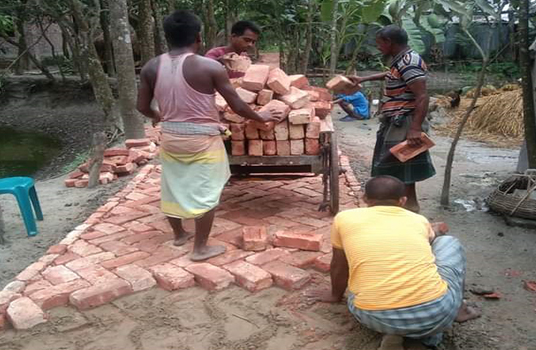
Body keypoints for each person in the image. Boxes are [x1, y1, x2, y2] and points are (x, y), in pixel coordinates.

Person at [137, 10, 282, 261]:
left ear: (168, 36)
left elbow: (141, 107)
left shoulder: (151, 66)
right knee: (206, 189)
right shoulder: (209, 66)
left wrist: (158, 115)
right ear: (198, 37)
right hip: (202, 138)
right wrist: (262, 117)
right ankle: (200, 248)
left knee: (173, 185)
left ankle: (180, 235)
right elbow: (237, 105)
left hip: (171, 136)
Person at [307, 176, 480, 350]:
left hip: (372, 316)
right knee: (448, 242)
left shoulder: (344, 218)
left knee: (366, 286)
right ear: (403, 201)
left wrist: (335, 295)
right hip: (437, 312)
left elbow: (339, 263)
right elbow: (429, 243)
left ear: (365, 198)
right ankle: (455, 311)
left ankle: (397, 334)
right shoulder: (418, 220)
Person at [347, 25, 435, 212]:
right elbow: (392, 75)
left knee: (403, 172)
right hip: (396, 122)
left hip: (405, 123)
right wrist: (364, 79)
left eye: (379, 43)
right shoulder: (401, 60)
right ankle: (404, 209)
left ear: (389, 42)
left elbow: (422, 96)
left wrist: (415, 128)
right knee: (396, 170)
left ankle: (411, 209)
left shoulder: (410, 61)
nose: (378, 47)